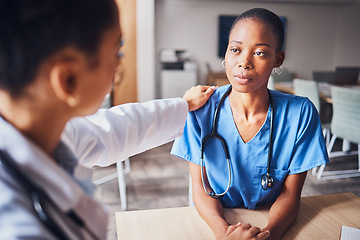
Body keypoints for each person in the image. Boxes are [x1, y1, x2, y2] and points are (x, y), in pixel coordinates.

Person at [0, 0, 217, 239]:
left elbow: (115, 128)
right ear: (68, 79)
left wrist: (184, 106)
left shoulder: (45, 130)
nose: (117, 68)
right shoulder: (17, 227)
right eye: (116, 54)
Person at [171, 8, 329, 240]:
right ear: (226, 53)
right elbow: (201, 189)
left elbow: (289, 195)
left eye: (260, 53)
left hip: (272, 218)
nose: (244, 62)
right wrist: (223, 233)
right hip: (217, 216)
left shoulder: (300, 113)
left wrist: (267, 236)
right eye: (235, 50)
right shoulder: (199, 109)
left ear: (278, 59)